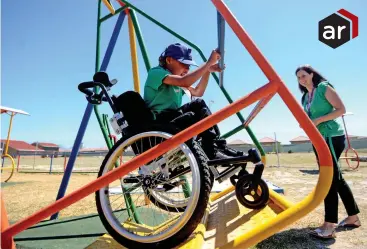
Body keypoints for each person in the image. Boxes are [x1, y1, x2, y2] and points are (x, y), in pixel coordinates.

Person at [143, 43, 244, 160]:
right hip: (159, 122)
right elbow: (184, 81)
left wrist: (207, 70)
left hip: (171, 119)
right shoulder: (156, 72)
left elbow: (198, 92)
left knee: (199, 105)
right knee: (198, 105)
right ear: (169, 60)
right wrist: (208, 63)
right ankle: (211, 150)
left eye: (189, 66)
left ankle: (216, 146)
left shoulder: (177, 82)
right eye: (184, 64)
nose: (187, 69)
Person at [295, 64, 361, 239]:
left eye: (304, 75)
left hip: (331, 136)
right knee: (336, 178)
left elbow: (341, 109)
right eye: (299, 78)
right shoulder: (304, 98)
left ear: (311, 74)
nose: (301, 80)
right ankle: (353, 218)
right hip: (319, 139)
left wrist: (319, 120)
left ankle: (329, 225)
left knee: (329, 179)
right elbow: (311, 119)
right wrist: (308, 124)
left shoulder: (324, 88)